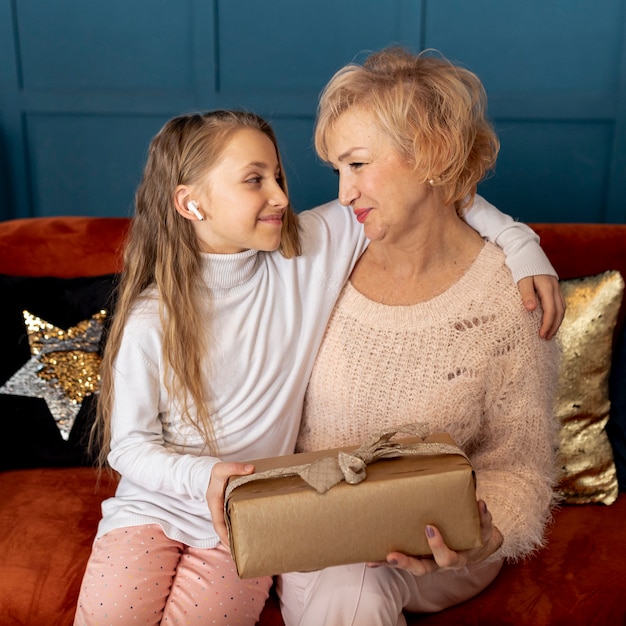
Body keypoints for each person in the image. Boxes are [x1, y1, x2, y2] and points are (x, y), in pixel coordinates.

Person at [74, 107, 561, 625]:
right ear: (191, 202)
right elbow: (128, 445)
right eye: (254, 180)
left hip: (253, 519)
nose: (281, 196)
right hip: (153, 507)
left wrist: (520, 244)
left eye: (278, 177)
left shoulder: (305, 252)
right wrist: (207, 475)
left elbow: (436, 194)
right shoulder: (152, 318)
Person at [277, 47, 562, 626]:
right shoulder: (321, 261)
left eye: (357, 164)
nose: (344, 192)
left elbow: (522, 465)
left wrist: (483, 537)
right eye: (338, 170)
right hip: (315, 531)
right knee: (347, 578)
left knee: (356, 581)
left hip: (442, 549)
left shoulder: (510, 298)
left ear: (430, 154)